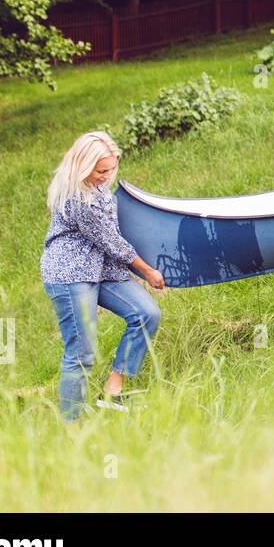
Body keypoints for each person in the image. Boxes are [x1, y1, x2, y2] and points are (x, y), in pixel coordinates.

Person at [40, 131, 165, 421]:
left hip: (101, 268)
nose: (107, 176)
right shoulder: (77, 199)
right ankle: (72, 427)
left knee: (146, 313)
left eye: (111, 169)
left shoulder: (98, 189)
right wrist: (146, 271)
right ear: (83, 166)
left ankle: (112, 391)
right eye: (101, 170)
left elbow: (111, 241)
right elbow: (112, 241)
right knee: (81, 354)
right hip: (71, 273)